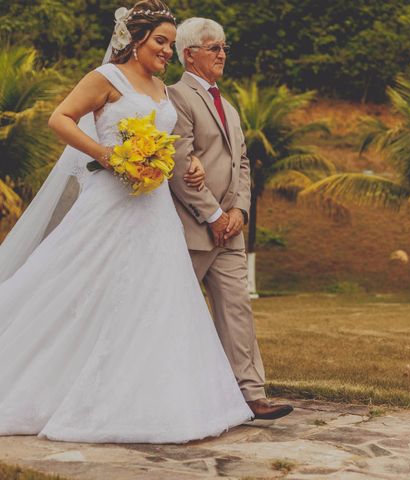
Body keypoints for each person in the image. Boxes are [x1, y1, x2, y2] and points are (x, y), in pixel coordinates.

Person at [0, 0, 253, 443]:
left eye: (172, 45)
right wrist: (107, 154)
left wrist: (189, 163)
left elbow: (172, 142)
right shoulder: (106, 78)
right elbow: (59, 118)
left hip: (155, 210)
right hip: (109, 205)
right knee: (80, 290)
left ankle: (152, 397)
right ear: (134, 40)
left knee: (156, 299)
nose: (166, 51)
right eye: (160, 41)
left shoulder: (161, 88)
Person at [168, 18, 293, 420]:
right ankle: (174, 394)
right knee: (173, 315)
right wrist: (214, 214)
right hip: (189, 229)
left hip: (230, 232)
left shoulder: (231, 107)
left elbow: (242, 163)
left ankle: (252, 394)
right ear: (189, 54)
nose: (223, 54)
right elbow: (177, 165)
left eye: (224, 47)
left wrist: (238, 211)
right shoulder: (175, 98)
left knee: (238, 308)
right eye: (213, 47)